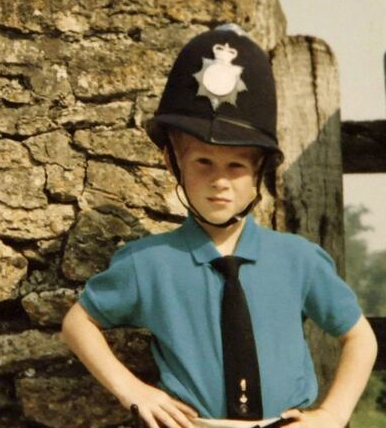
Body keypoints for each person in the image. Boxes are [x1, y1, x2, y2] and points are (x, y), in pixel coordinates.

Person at [61, 24, 377, 428]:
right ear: (171, 162)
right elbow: (77, 323)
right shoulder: (148, 263)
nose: (220, 181)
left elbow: (359, 336)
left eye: (236, 165)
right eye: (202, 163)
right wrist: (133, 390)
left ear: (260, 169)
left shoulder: (299, 260)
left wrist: (332, 415)